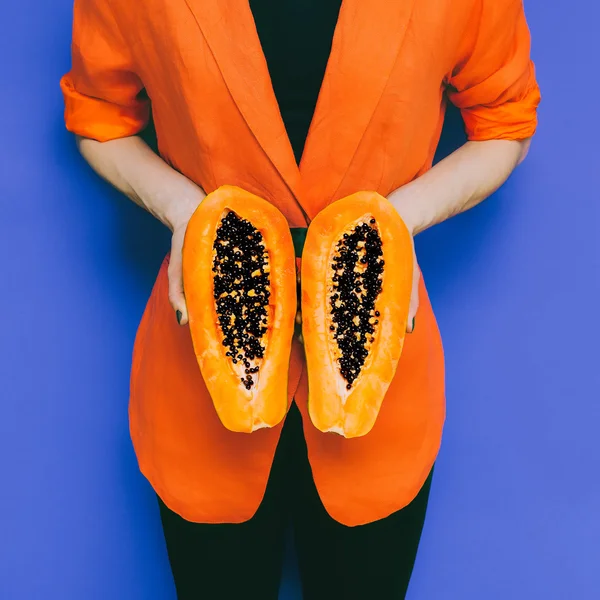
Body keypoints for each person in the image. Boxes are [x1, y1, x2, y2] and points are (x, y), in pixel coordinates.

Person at [60, 0, 540, 598]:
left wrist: (396, 222)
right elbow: (99, 117)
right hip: (199, 374)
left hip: (381, 379)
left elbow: (505, 122)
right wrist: (186, 212)